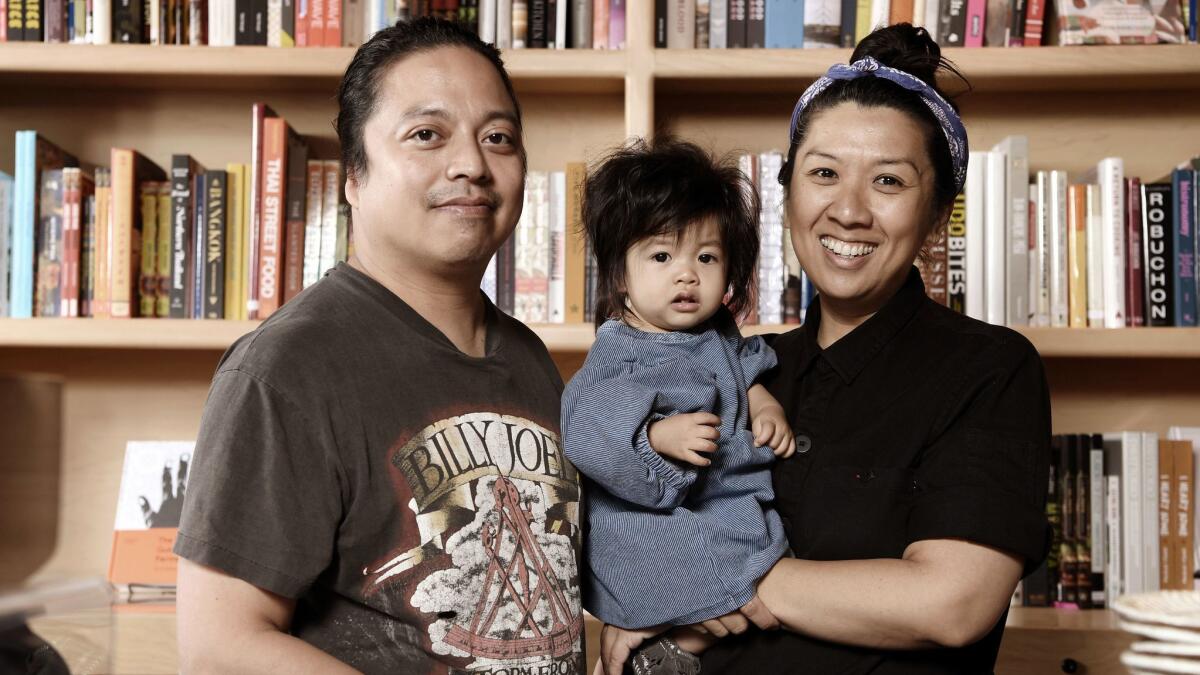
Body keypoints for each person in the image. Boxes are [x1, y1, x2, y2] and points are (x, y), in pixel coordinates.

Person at [598, 24, 1051, 675]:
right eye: (824, 174)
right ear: (789, 195)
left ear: (937, 214)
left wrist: (728, 583)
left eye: (888, 181)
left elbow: (954, 602)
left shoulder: (990, 370)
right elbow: (633, 513)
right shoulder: (737, 367)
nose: (849, 210)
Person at [174, 18, 586, 674]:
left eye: (499, 137)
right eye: (427, 134)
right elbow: (219, 645)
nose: (472, 165)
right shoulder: (285, 370)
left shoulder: (528, 356)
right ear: (353, 178)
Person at [562, 139, 795, 675]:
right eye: (662, 256)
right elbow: (588, 426)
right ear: (620, 276)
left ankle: (681, 628)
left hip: (725, 501)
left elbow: (748, 366)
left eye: (706, 257)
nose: (686, 274)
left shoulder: (720, 335)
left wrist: (763, 404)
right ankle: (676, 621)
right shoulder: (620, 351)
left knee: (758, 544)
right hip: (643, 515)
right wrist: (656, 438)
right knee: (662, 556)